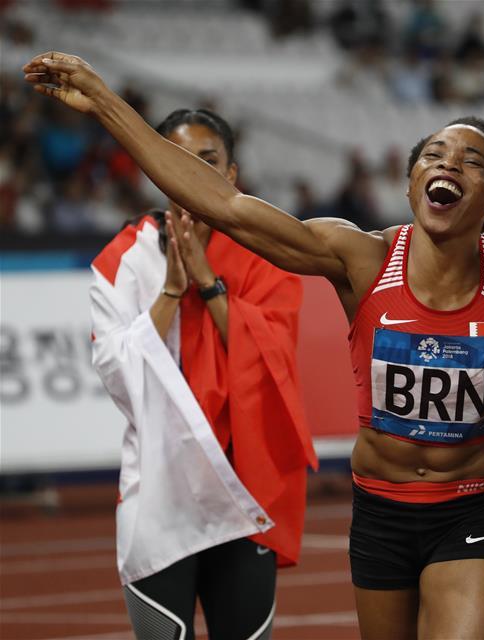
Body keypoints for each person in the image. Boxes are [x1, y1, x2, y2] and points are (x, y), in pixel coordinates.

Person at [25, 51, 484, 640]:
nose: (448, 165)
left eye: (471, 161)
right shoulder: (359, 257)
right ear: (412, 183)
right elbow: (224, 205)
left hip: (475, 502)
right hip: (378, 511)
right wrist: (107, 104)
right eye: (433, 155)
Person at [88, 107, 317, 639]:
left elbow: (271, 372)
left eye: (207, 161)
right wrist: (171, 290)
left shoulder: (267, 251)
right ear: (153, 166)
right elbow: (119, 377)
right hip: (158, 492)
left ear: (232, 174)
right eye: (174, 159)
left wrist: (209, 281)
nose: (190, 173)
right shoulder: (122, 260)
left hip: (244, 489)